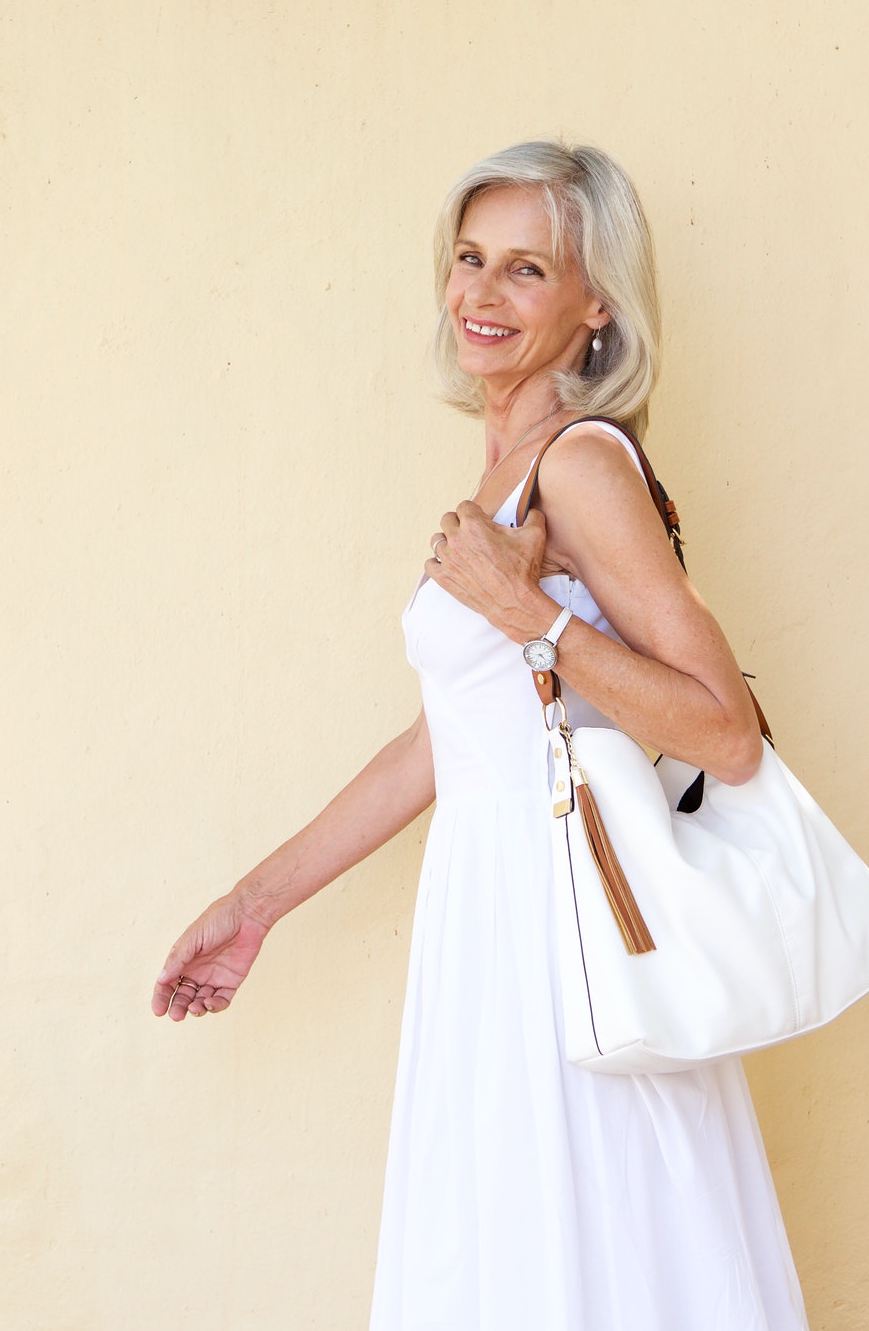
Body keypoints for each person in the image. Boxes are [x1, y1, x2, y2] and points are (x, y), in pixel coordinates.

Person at [151, 140, 809, 1330]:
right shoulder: (504, 478)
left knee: (586, 1255)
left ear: (592, 303)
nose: (480, 295)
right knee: (517, 1260)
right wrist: (255, 904)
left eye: (525, 270)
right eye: (468, 259)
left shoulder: (583, 466)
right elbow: (440, 744)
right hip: (491, 921)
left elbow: (728, 736)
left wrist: (524, 614)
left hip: (559, 931)